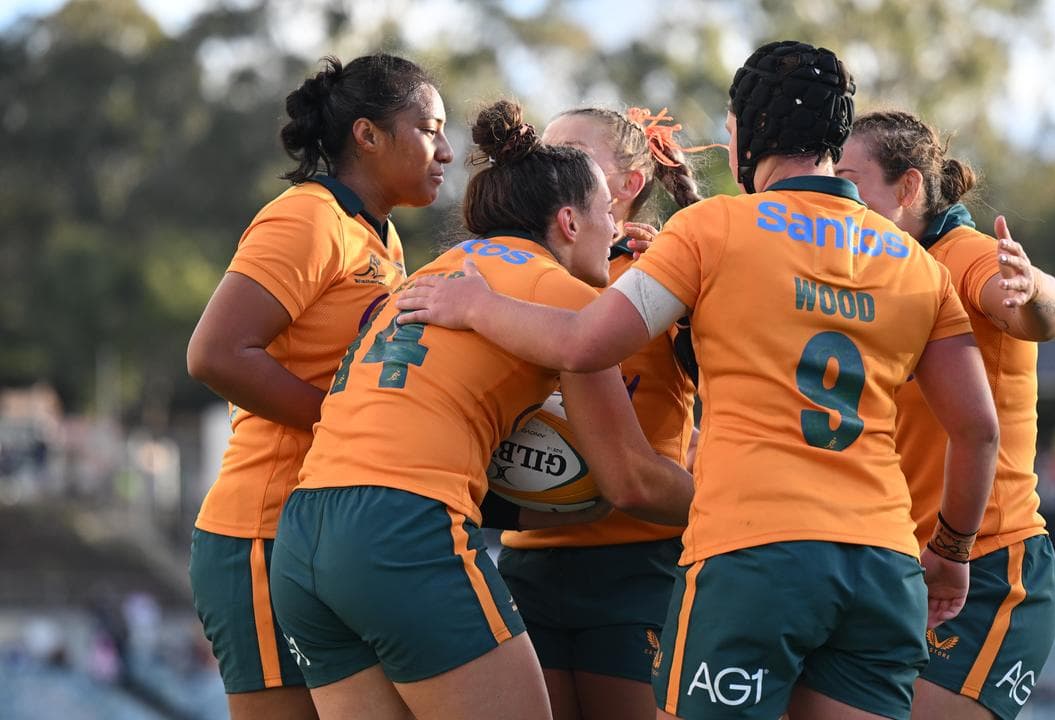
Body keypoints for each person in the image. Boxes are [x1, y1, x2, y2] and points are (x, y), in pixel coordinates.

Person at [395, 41, 1000, 720]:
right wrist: (953, 550)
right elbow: (978, 430)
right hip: (883, 564)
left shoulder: (714, 227)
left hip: (754, 554)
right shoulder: (917, 264)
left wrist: (476, 305)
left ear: (748, 134)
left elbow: (585, 343)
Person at [267, 99, 695, 720]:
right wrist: (734, 507)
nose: (616, 231)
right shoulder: (569, 298)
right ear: (570, 221)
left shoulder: (435, 273)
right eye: (606, 214)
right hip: (402, 529)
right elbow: (629, 479)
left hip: (304, 533)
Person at [185, 53, 452, 720]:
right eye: (429, 130)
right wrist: (344, 425)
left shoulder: (382, 238)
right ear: (368, 135)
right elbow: (215, 354)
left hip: (328, 537)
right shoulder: (307, 217)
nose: (447, 151)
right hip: (262, 532)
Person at [836, 111, 1055, 720]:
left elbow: (1041, 314)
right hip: (897, 568)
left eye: (849, 181)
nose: (835, 197)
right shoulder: (865, 270)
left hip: (988, 566)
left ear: (908, 188)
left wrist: (1031, 291)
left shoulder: (963, 254)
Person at [496, 106, 713, 720]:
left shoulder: (663, 271)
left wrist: (697, 299)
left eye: (573, 154)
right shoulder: (515, 265)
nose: (552, 166)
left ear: (629, 184)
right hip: (530, 552)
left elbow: (729, 383)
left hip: (638, 561)